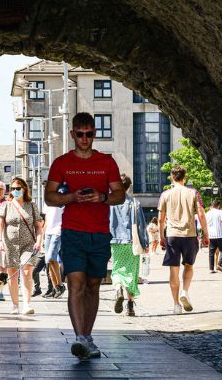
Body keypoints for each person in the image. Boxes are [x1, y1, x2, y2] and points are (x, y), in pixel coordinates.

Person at [45, 112, 125, 360]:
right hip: (73, 232)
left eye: (89, 134)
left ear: (94, 134)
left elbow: (119, 195)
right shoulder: (61, 163)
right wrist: (72, 197)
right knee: (75, 284)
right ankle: (79, 337)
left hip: (100, 233)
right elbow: (49, 197)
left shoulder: (107, 162)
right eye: (80, 134)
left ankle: (87, 337)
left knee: (92, 286)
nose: (84, 139)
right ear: (72, 134)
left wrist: (101, 197)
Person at [159, 165, 209, 315]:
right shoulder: (193, 193)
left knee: (173, 270)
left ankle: (176, 305)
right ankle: (185, 291)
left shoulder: (165, 195)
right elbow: (201, 214)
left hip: (173, 235)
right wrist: (206, 234)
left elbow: (161, 219)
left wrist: (162, 236)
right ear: (184, 177)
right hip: (189, 235)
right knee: (189, 265)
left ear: (172, 177)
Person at [0, 177, 44, 315]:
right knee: (12, 273)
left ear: (24, 189)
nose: (15, 191)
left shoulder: (31, 205)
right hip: (10, 244)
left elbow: (38, 226)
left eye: (18, 188)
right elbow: (0, 224)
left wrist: (39, 241)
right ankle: (15, 304)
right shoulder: (6, 205)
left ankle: (27, 304)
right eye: (13, 189)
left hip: (28, 244)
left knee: (27, 271)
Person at [109, 174, 148, 317]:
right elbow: (141, 225)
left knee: (117, 270)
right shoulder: (134, 202)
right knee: (132, 272)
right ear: (128, 186)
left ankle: (118, 289)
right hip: (132, 242)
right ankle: (130, 306)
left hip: (115, 242)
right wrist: (145, 243)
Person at [42, 203, 66, 299]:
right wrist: (43, 236)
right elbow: (46, 219)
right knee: (48, 261)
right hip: (48, 232)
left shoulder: (63, 194)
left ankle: (60, 285)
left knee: (50, 257)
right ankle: (55, 287)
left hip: (58, 230)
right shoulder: (47, 199)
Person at [206, 200, 222, 273]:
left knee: (211, 252)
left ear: (212, 205)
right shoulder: (220, 212)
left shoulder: (207, 213)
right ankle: (219, 264)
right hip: (220, 235)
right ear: (218, 206)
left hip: (211, 235)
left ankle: (211, 269)